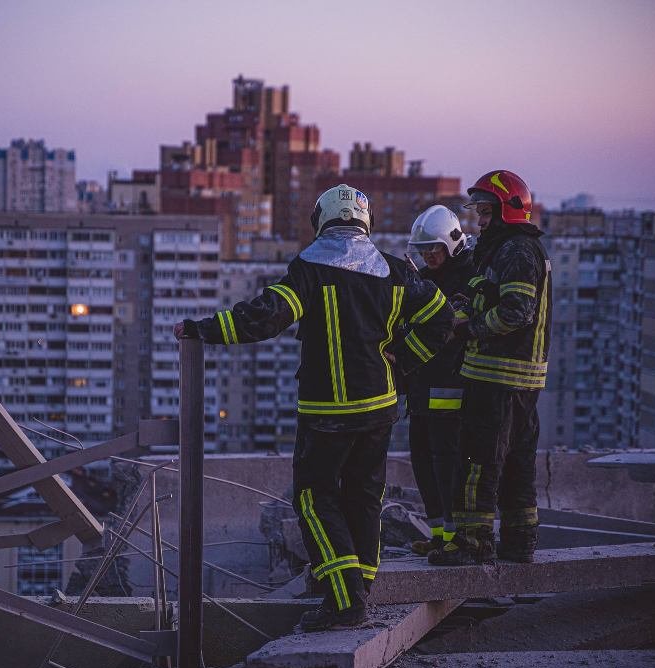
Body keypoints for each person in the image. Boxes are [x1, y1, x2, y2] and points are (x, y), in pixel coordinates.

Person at [174, 184, 453, 630]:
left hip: (328, 412)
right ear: (366, 221)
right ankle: (359, 586)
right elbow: (441, 317)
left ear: (321, 220)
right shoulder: (395, 271)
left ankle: (344, 603)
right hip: (380, 407)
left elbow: (264, 318)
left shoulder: (309, 268)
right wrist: (404, 365)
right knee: (363, 496)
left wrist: (201, 328)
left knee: (314, 498)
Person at [427, 170, 552, 566]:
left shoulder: (515, 251)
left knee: (477, 461)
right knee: (517, 463)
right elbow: (478, 296)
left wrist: (470, 330)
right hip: (517, 380)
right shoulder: (503, 249)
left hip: (498, 376)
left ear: (506, 210)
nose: (478, 221)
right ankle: (519, 542)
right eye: (477, 212)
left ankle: (472, 543)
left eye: (484, 212)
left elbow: (516, 311)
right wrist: (453, 314)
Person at [402, 206, 473, 556]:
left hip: (450, 387)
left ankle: (455, 540)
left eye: (435, 247)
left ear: (452, 244)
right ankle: (439, 538)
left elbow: (448, 327)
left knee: (448, 464)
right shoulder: (429, 278)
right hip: (421, 387)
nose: (429, 254)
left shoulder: (466, 276)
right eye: (423, 249)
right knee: (423, 461)